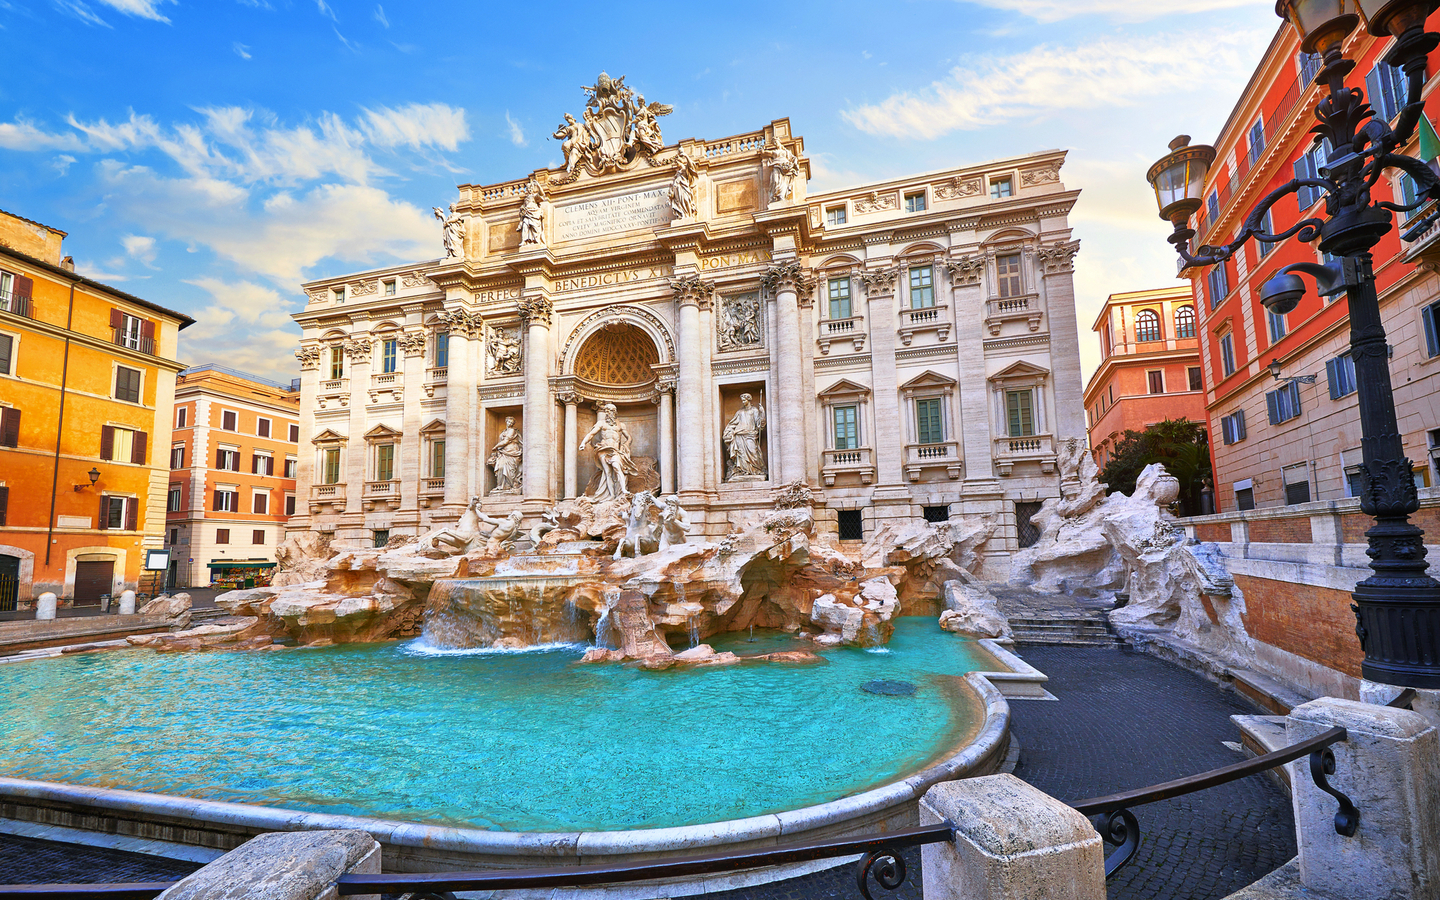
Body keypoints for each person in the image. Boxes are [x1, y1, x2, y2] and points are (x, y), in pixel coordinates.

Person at [578, 401, 635, 499]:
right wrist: (583, 443)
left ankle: (623, 490)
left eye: (612, 411)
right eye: (608, 411)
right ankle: (612, 495)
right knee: (607, 472)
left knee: (617, 466)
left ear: (615, 412)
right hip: (604, 449)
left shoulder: (621, 425)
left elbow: (629, 437)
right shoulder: (601, 423)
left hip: (615, 450)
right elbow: (591, 434)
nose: (610, 413)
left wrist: (626, 445)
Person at [723, 393, 766, 480]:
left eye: (744, 400)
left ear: (748, 400)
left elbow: (759, 424)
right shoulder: (739, 412)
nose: (743, 402)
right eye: (742, 400)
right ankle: (742, 471)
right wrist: (729, 431)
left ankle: (755, 470)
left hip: (751, 435)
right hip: (739, 435)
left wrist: (762, 413)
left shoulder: (754, 411)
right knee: (741, 454)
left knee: (753, 452)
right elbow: (733, 424)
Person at [488, 417, 522, 493]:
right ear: (506, 422)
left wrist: (496, 446)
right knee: (500, 467)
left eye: (511, 422)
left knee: (510, 469)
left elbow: (506, 441)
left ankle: (509, 486)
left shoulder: (512, 431)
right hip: (503, 452)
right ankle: (500, 486)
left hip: (512, 451)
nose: (510, 423)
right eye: (508, 422)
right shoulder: (504, 432)